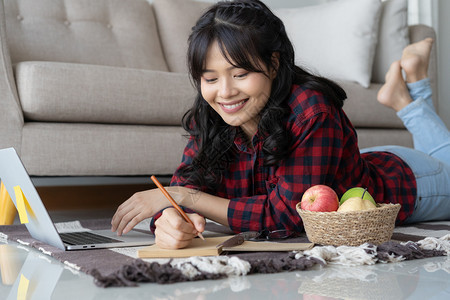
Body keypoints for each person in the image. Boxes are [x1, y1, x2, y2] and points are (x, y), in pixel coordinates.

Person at [111, 0, 450, 249]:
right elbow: (186, 183)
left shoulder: (313, 111)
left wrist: (184, 197)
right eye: (210, 78)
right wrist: (171, 221)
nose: (225, 92)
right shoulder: (215, 111)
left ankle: (408, 97)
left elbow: (287, 217)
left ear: (273, 64)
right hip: (348, 164)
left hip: (411, 183)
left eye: (241, 74)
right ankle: (412, 83)